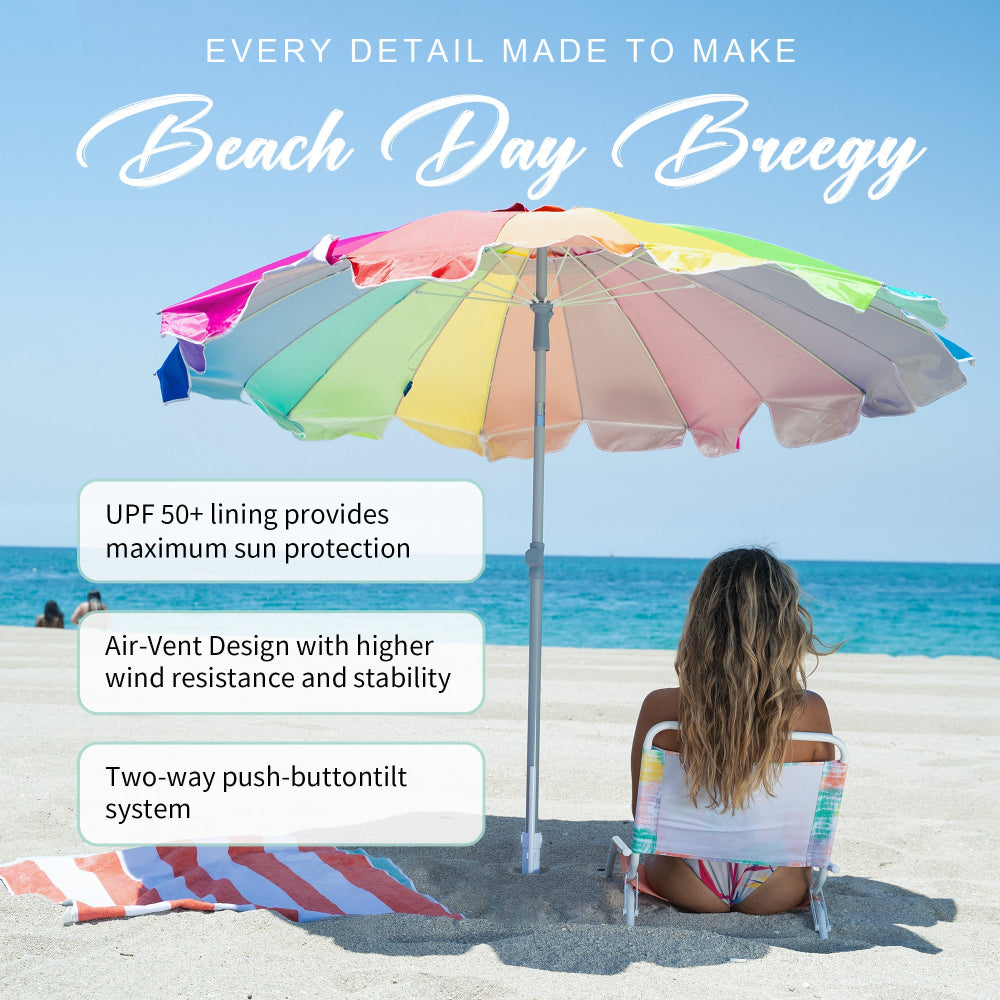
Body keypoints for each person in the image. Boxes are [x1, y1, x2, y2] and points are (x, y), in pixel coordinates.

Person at [630, 547, 837, 916]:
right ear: (785, 625)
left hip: (687, 880)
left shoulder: (660, 707)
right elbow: (814, 823)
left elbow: (644, 815)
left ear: (702, 621)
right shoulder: (811, 712)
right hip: (777, 885)